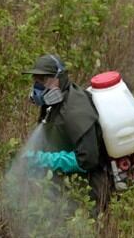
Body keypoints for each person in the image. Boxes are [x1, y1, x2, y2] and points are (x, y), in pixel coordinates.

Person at [22, 54, 112, 211]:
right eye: (35, 80)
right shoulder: (55, 103)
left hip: (92, 188)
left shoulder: (75, 111)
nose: (37, 86)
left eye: (42, 80)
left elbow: (87, 159)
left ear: (59, 78)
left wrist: (46, 160)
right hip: (68, 184)